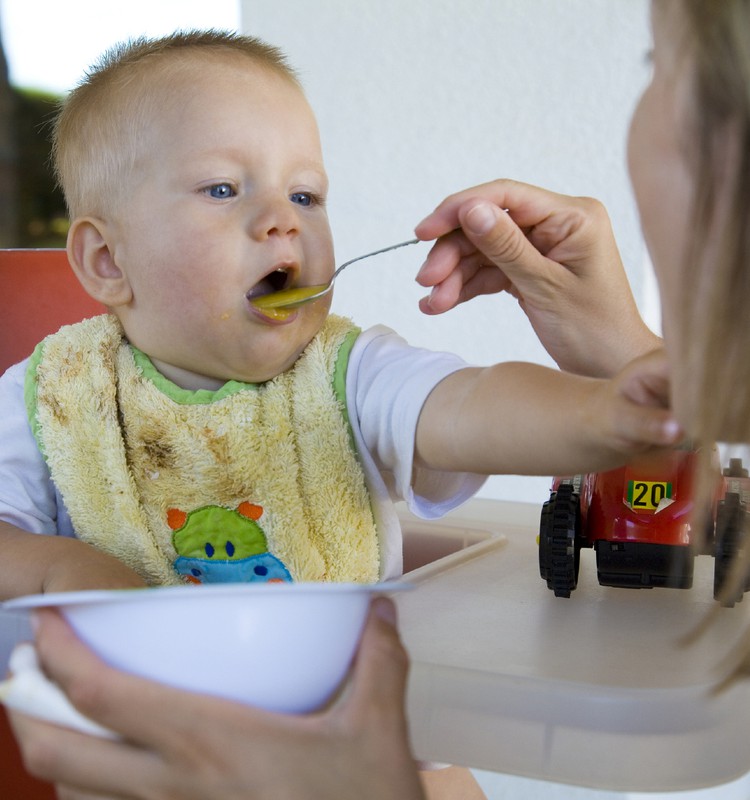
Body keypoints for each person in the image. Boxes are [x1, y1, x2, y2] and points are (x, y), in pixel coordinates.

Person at [3, 10, 700, 797]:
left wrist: (601, 413)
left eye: (306, 192)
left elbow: (469, 405)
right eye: (223, 188)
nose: (282, 217)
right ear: (106, 259)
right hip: (145, 762)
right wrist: (64, 565)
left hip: (363, 744)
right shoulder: (52, 399)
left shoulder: (347, 371)